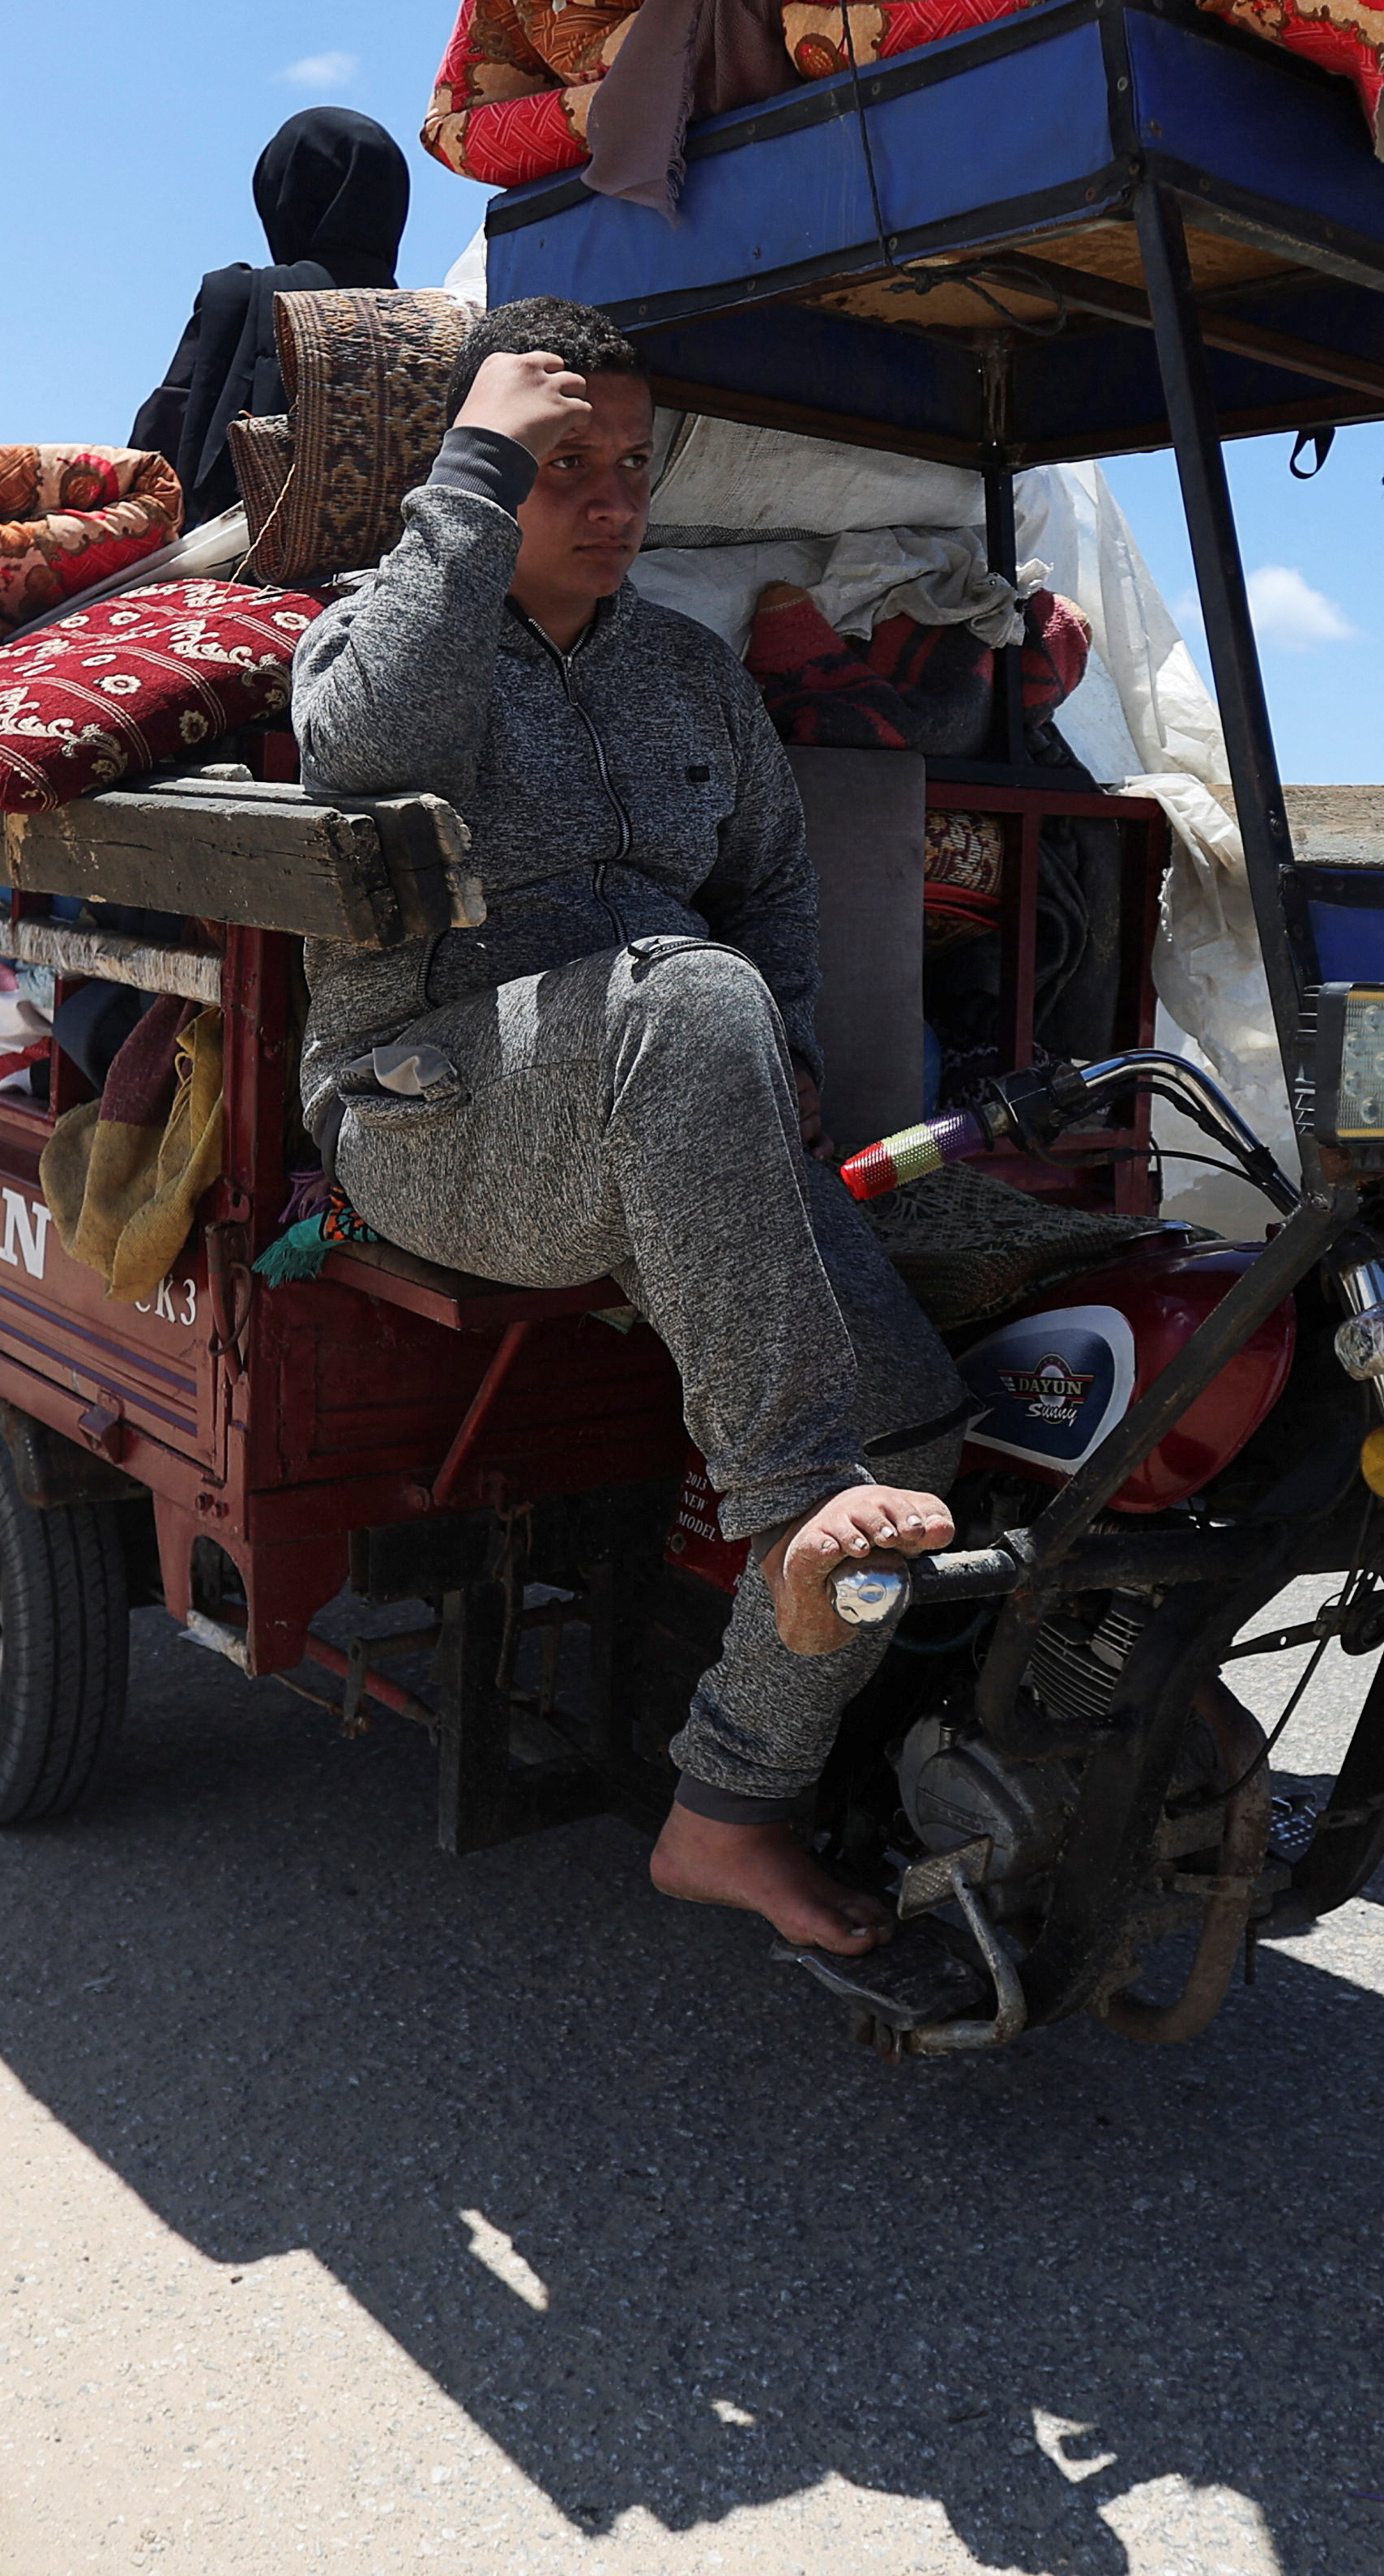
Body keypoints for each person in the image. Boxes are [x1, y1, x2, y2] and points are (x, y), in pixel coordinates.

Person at [289, 297, 964, 1954]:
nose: (613, 502)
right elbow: (358, 754)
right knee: (689, 995)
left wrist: (791, 1036)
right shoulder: (377, 624)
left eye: (631, 468)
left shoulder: (691, 676)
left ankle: (730, 1801)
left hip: (672, 1097)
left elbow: (777, 885)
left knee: (917, 1421)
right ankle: (789, 1496)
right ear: (484, 464)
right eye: (564, 465)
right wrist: (468, 476)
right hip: (434, 1116)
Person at [126, 107, 412, 521]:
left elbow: (166, 431)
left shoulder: (240, 296)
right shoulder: (436, 322)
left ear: (284, 196)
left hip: (241, 562)